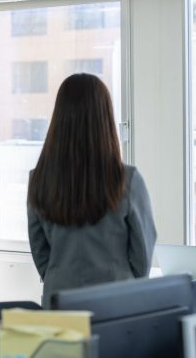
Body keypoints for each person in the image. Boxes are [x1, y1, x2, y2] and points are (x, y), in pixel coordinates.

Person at [27, 73, 157, 308]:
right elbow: (142, 254)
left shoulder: (39, 179)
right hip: (116, 303)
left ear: (59, 118)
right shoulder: (127, 179)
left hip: (59, 303)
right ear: (105, 118)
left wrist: (60, 277)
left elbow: (40, 251)